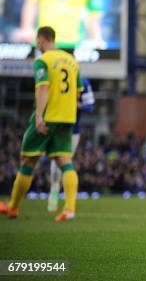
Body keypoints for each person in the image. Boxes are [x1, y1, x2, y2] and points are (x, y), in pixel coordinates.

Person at [0, 27, 82, 221]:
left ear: (43, 39)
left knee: (28, 161)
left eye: (38, 42)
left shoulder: (42, 61)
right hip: (67, 118)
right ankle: (70, 209)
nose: (37, 46)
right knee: (65, 162)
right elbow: (77, 94)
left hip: (48, 116)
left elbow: (43, 88)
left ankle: (13, 207)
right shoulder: (72, 62)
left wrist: (38, 116)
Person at [48, 78, 94, 212]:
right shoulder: (55, 78)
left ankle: (68, 201)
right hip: (56, 127)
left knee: (65, 163)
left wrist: (78, 105)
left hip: (73, 130)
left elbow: (90, 105)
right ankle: (54, 191)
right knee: (57, 163)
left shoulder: (83, 82)